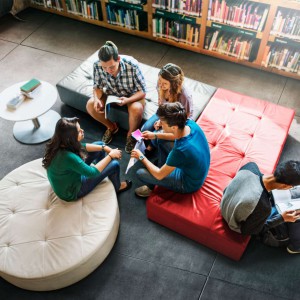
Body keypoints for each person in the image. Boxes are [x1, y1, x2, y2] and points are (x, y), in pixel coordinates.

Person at [42, 117, 132, 202]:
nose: (82, 131)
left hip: (69, 178)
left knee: (100, 145)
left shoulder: (60, 143)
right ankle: (117, 187)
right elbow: (92, 173)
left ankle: (102, 172)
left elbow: (82, 147)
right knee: (114, 165)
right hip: (72, 191)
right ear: (70, 138)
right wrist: (110, 156)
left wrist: (105, 148)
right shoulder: (68, 157)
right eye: (79, 131)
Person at [131, 102, 210, 197]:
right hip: (198, 168)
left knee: (141, 173)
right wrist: (155, 135)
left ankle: (152, 186)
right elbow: (176, 135)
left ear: (174, 127)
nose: (160, 125)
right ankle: (164, 166)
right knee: (159, 139)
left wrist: (141, 156)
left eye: (162, 123)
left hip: (188, 183)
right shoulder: (189, 123)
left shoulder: (180, 150)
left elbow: (159, 175)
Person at [220, 161, 300, 253]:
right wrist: (282, 218)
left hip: (226, 203)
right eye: (292, 187)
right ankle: (296, 247)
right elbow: (250, 231)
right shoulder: (263, 206)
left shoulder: (250, 167)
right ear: (285, 186)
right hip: (236, 223)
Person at [86, 41, 147, 153]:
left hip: (132, 95)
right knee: (90, 105)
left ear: (118, 59)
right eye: (104, 67)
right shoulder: (97, 65)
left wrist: (128, 100)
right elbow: (97, 87)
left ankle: (131, 135)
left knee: (136, 109)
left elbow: (142, 91)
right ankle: (111, 127)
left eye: (111, 67)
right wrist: (96, 99)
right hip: (111, 93)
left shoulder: (132, 65)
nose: (108, 71)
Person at [141, 63, 193, 157]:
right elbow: (161, 104)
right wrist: (160, 120)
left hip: (178, 119)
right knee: (145, 129)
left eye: (164, 83)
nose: (160, 85)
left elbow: (185, 117)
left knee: (158, 135)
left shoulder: (185, 95)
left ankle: (151, 147)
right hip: (165, 112)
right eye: (159, 81)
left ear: (173, 84)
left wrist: (165, 123)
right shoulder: (160, 85)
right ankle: (148, 146)